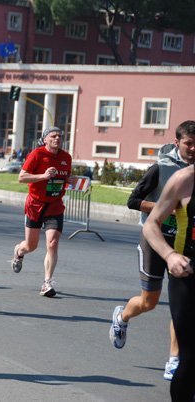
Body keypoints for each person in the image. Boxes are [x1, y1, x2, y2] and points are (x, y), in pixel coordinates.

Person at [110, 121, 195, 381]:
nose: (193, 148)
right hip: (155, 239)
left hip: (184, 245)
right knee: (150, 302)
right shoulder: (162, 167)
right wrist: (166, 207)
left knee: (182, 306)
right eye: (188, 143)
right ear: (177, 141)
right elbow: (133, 200)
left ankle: (174, 359)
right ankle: (122, 317)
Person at [142, 164, 195, 402]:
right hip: (188, 276)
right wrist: (170, 255)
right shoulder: (184, 179)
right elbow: (151, 224)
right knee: (191, 356)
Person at [11, 127, 77, 297]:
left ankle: (47, 282)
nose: (57, 138)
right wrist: (43, 176)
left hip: (55, 204)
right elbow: (22, 177)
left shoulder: (66, 157)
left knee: (52, 243)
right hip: (35, 204)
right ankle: (19, 251)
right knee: (31, 246)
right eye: (53, 136)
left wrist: (69, 180)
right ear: (45, 139)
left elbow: (64, 178)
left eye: (60, 136)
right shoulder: (36, 155)